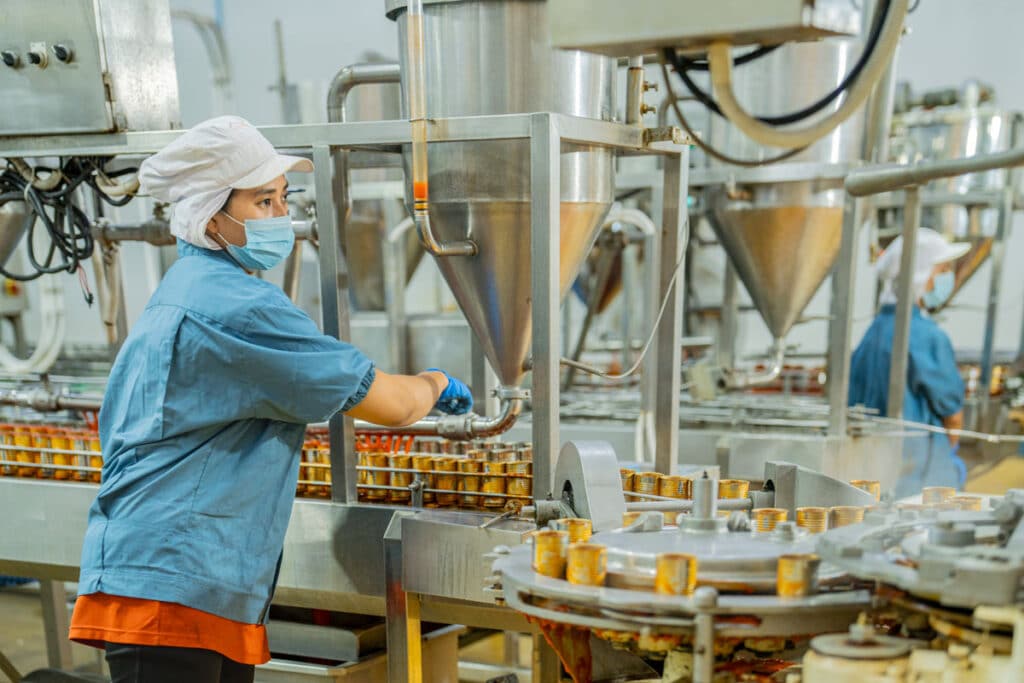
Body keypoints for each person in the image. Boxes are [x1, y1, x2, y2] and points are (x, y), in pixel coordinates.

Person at [67, 116, 473, 682]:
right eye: (262, 201)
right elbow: (392, 405)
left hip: (180, 582)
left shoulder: (181, 293)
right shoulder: (237, 308)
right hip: (173, 589)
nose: (281, 216)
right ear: (212, 218)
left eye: (283, 198)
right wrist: (435, 383)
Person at [849, 227, 970, 498]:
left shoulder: (873, 332)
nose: (945, 279)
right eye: (941, 271)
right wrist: (946, 456)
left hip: (871, 473)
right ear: (922, 276)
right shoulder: (927, 336)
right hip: (919, 480)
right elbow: (953, 414)